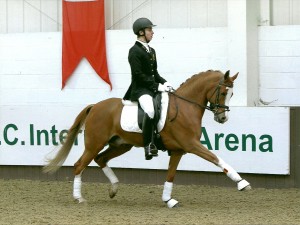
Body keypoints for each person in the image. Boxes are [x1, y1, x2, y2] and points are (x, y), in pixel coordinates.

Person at [123, 18, 173, 160]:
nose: (152, 32)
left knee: (166, 105)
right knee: (150, 110)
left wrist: (166, 83)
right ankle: (148, 145)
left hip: (151, 88)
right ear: (141, 32)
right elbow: (138, 75)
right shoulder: (134, 51)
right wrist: (157, 86)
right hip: (140, 90)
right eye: (150, 30)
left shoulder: (152, 50)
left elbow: (154, 73)